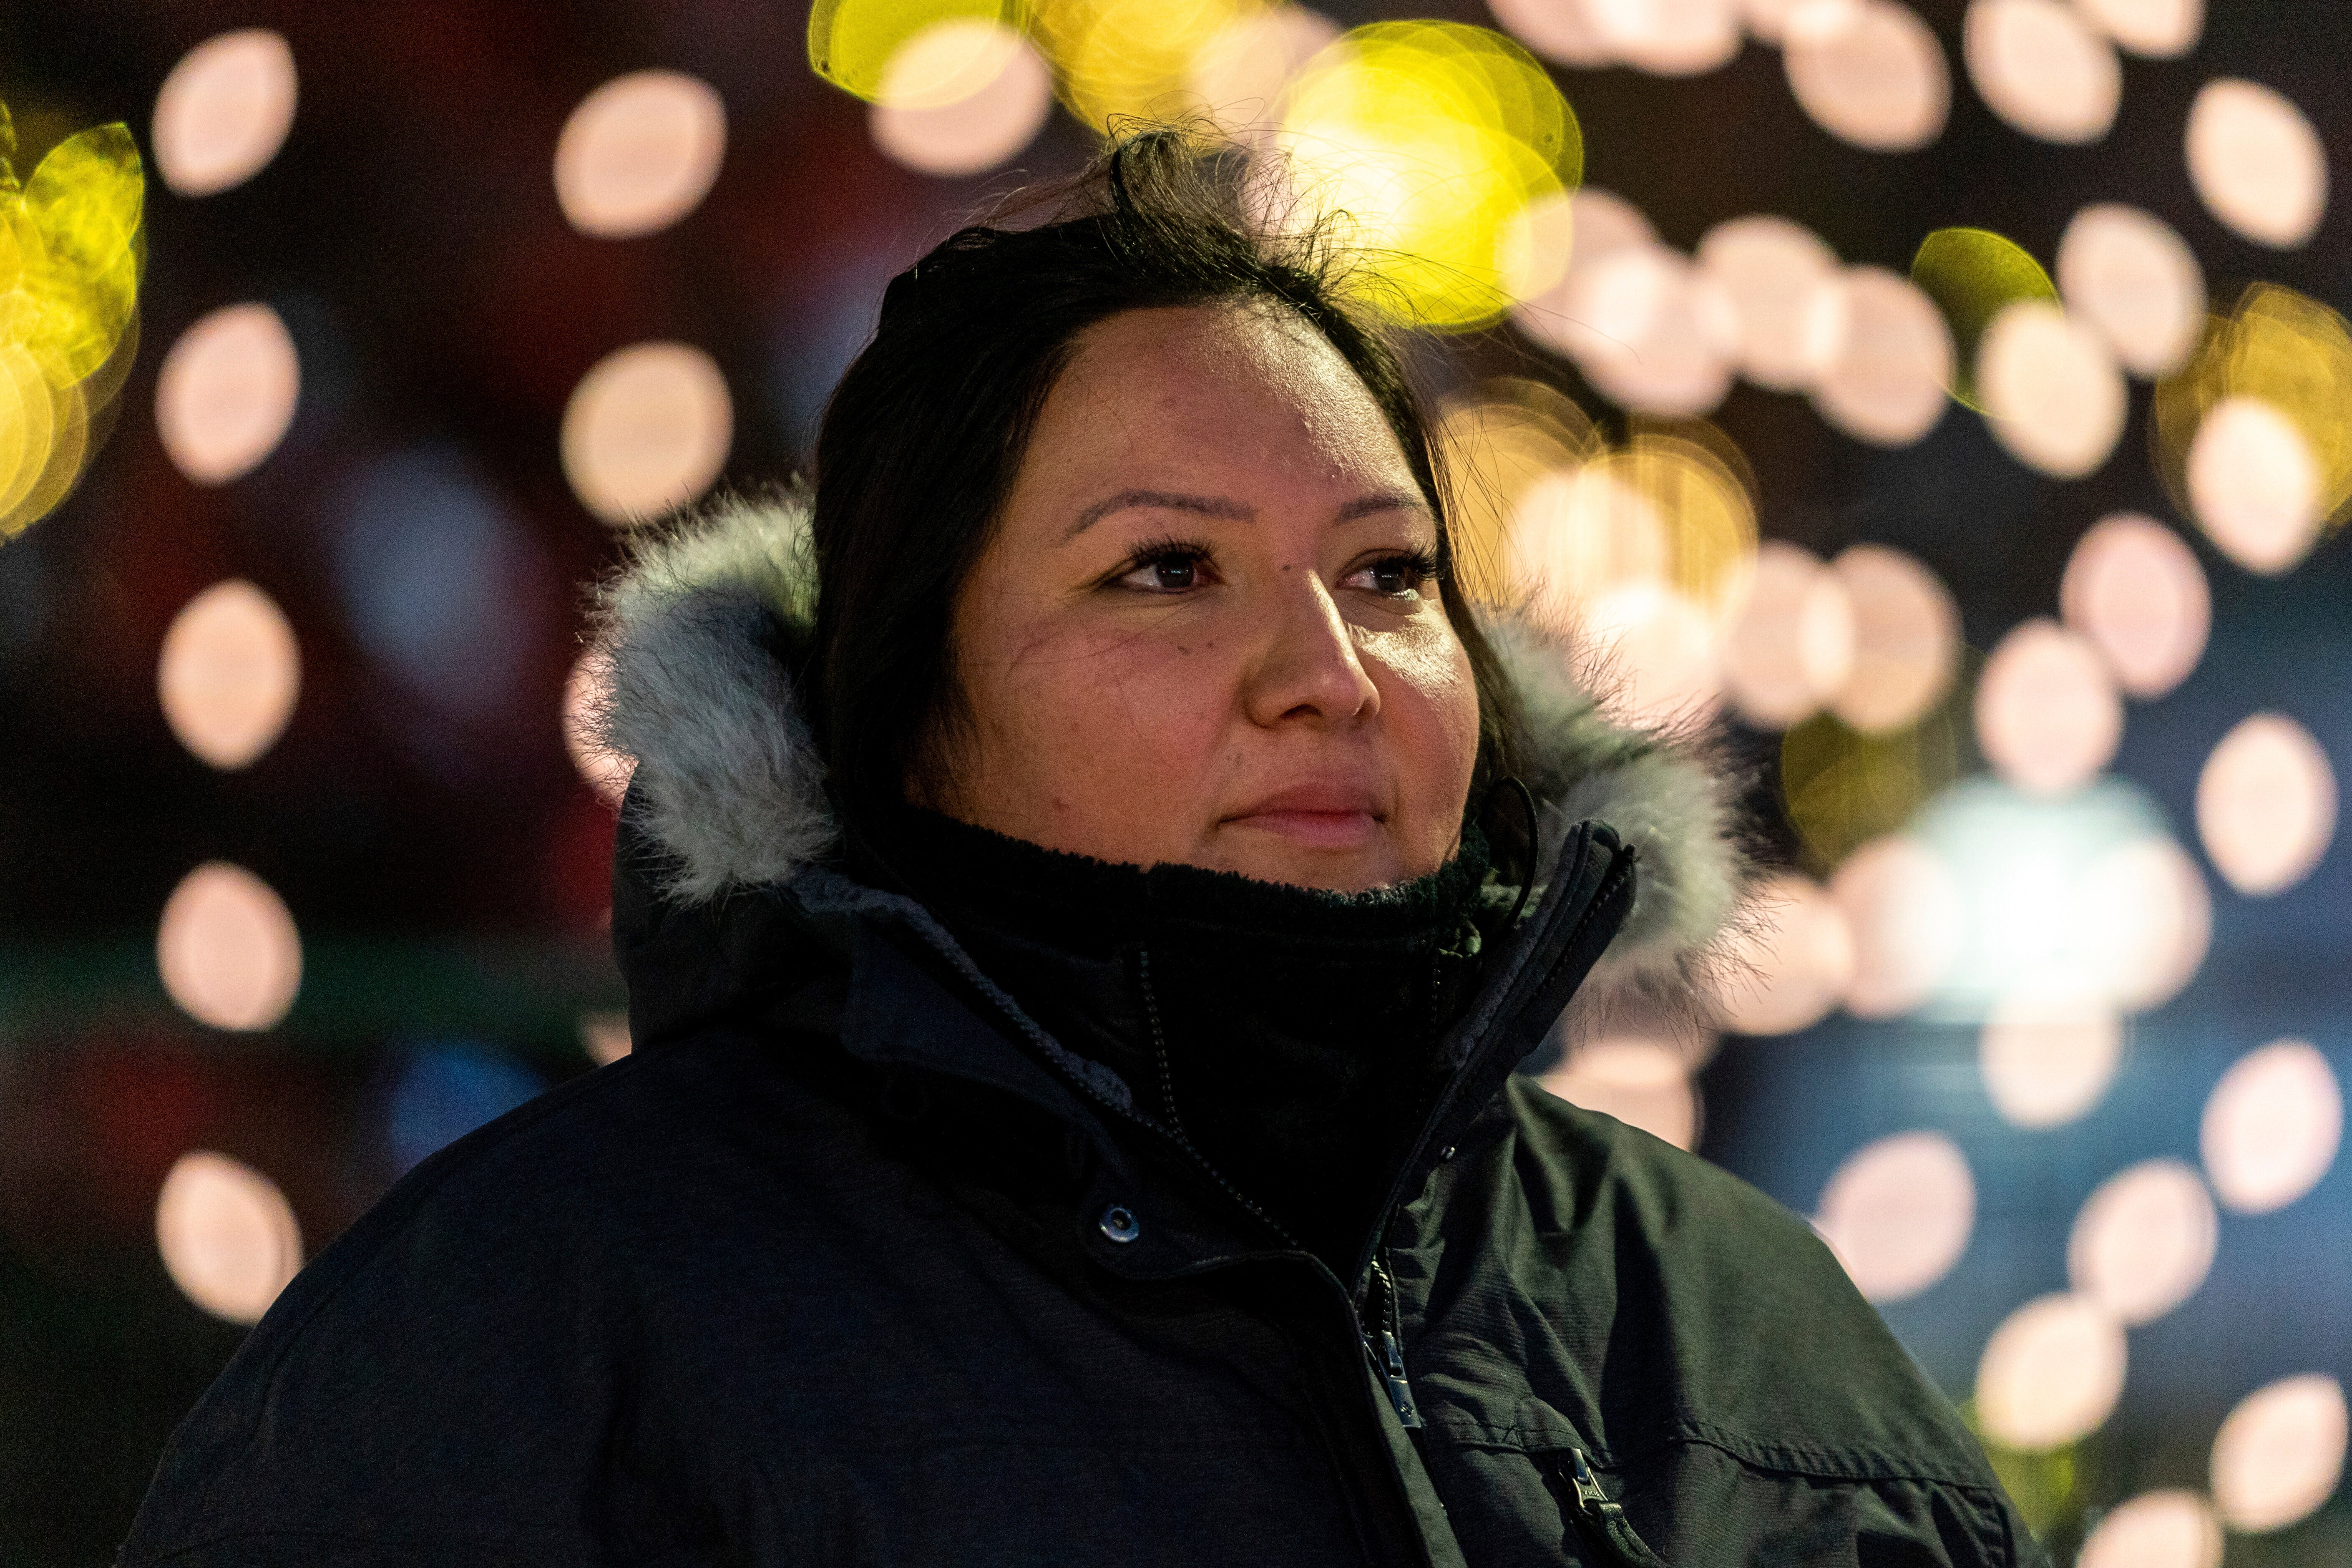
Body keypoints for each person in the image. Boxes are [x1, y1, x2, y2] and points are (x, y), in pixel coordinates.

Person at [120, 131, 2043, 1568]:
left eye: (1391, 575)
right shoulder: (533, 1342)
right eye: (1164, 572)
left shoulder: (1754, 1325)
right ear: (906, 713)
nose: (1329, 672)